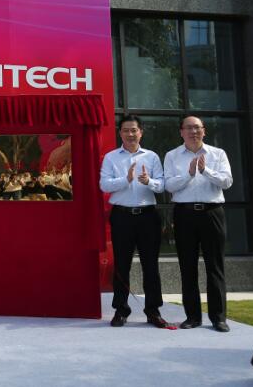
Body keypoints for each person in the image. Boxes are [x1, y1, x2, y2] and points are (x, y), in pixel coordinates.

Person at [164, 115, 233, 332]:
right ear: (181, 132)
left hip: (212, 212)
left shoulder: (217, 154)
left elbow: (227, 181)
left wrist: (205, 171)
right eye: (189, 128)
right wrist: (189, 174)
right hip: (184, 214)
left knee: (215, 266)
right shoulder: (172, 156)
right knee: (187, 267)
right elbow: (169, 185)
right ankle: (192, 317)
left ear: (204, 131)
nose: (193, 132)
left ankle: (218, 318)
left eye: (197, 128)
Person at [100, 115, 169, 328]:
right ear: (120, 133)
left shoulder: (152, 157)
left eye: (134, 130)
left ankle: (153, 311)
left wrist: (149, 181)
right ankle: (121, 310)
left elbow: (162, 185)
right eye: (126, 130)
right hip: (122, 216)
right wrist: (126, 180)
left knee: (151, 265)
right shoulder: (111, 157)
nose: (130, 134)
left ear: (141, 132)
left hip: (148, 216)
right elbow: (104, 185)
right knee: (121, 265)